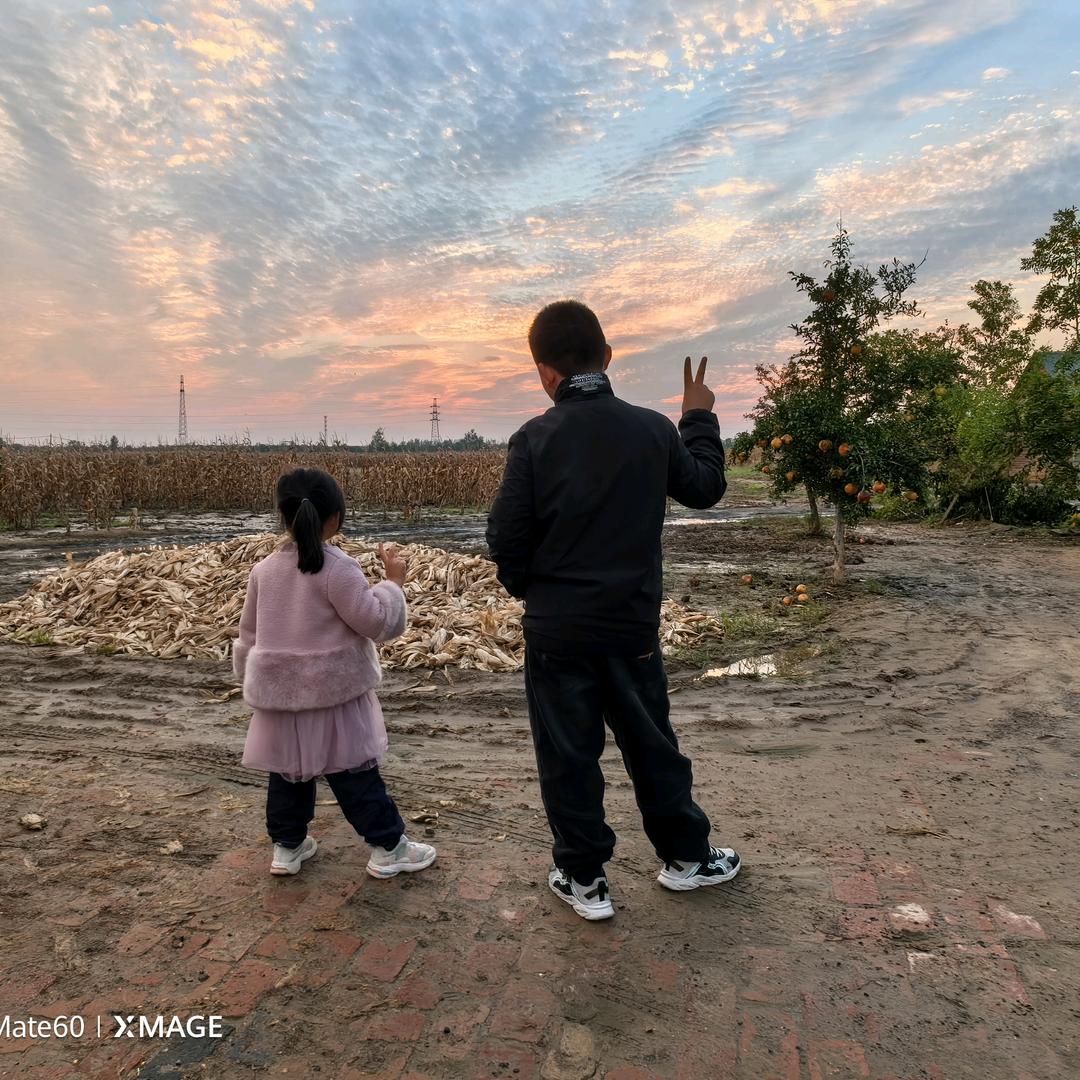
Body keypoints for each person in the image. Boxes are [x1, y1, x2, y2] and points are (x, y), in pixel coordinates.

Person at [486, 300, 740, 920]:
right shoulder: (653, 430)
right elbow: (705, 489)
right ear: (607, 356)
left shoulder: (535, 439)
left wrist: (534, 592)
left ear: (543, 371)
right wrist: (698, 418)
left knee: (569, 755)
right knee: (652, 744)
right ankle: (687, 858)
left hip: (558, 633)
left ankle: (584, 878)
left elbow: (504, 538)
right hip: (631, 627)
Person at [233, 467, 436, 880]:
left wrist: (251, 682)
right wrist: (393, 584)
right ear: (336, 518)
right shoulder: (338, 569)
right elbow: (377, 623)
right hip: (334, 694)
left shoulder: (264, 571)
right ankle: (389, 848)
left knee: (288, 772)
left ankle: (286, 849)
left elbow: (249, 635)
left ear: (283, 516)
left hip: (282, 696)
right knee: (354, 772)